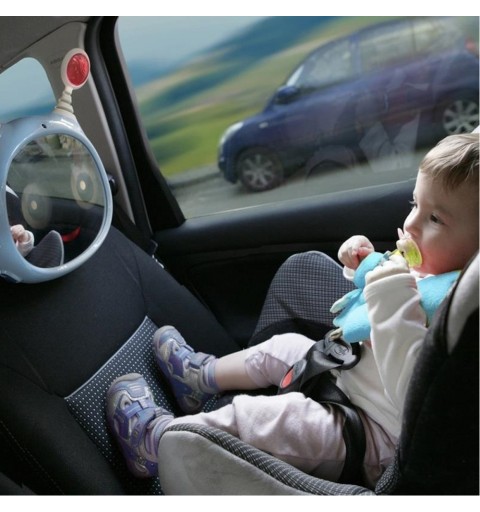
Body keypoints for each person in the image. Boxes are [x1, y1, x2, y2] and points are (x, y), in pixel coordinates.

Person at [106, 133, 479, 487]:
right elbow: (380, 294)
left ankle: (156, 442)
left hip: (373, 435)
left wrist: (390, 293)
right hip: (349, 375)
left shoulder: (461, 310)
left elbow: (415, 396)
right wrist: (362, 264)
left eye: (435, 219)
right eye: (415, 205)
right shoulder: (436, 267)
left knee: (275, 421)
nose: (411, 224)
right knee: (282, 347)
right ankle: (200, 378)